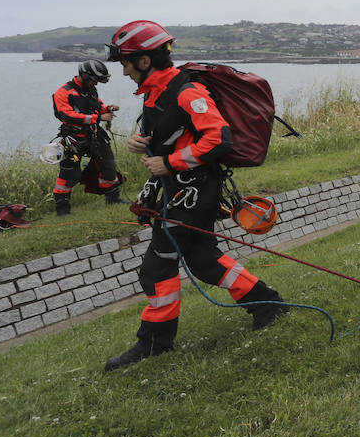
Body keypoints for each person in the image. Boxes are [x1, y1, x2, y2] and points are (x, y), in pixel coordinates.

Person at [102, 19, 287, 372]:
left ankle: (154, 343)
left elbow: (219, 139)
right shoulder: (156, 93)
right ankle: (268, 304)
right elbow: (171, 135)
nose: (123, 71)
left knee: (157, 268)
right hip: (181, 190)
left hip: (194, 191)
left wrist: (169, 163)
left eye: (125, 62)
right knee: (202, 258)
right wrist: (138, 143)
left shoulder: (188, 92)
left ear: (144, 60)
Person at [51, 59, 125, 215]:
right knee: (70, 172)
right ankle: (62, 209)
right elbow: (67, 115)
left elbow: (98, 106)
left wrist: (108, 108)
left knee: (108, 165)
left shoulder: (90, 90)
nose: (96, 84)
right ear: (84, 76)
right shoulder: (63, 92)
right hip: (73, 140)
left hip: (94, 136)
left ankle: (113, 198)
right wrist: (97, 119)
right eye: (94, 80)